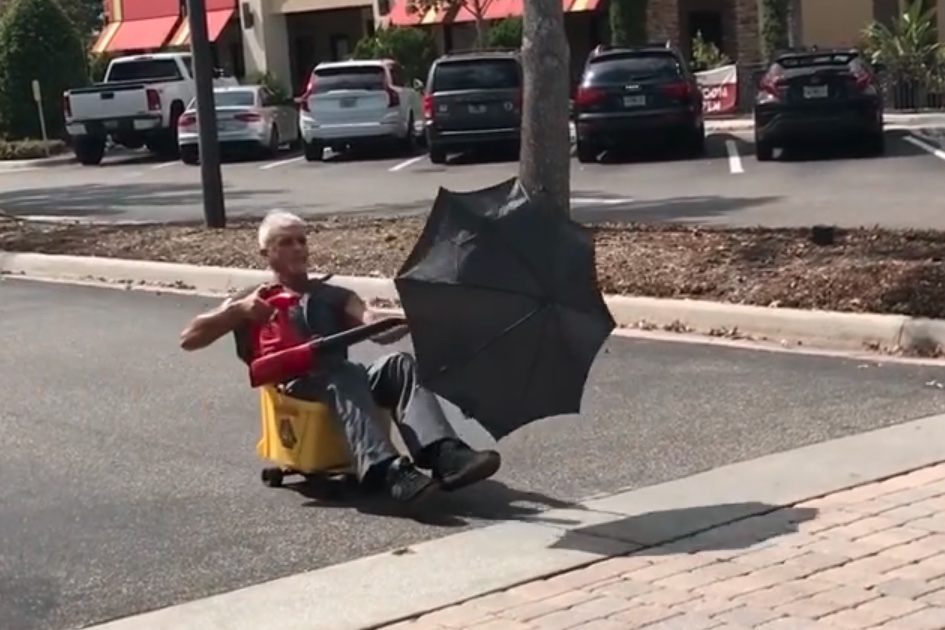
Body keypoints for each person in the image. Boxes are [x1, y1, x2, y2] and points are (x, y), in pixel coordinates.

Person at [179, 210, 501, 505]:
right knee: (340, 373)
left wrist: (403, 322)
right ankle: (386, 470)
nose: (298, 248)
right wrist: (237, 311)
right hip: (295, 388)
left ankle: (444, 454)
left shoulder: (333, 295)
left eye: (302, 240)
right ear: (266, 253)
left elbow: (372, 325)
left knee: (397, 365)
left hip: (342, 377)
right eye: (286, 242)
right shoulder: (252, 299)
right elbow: (190, 339)